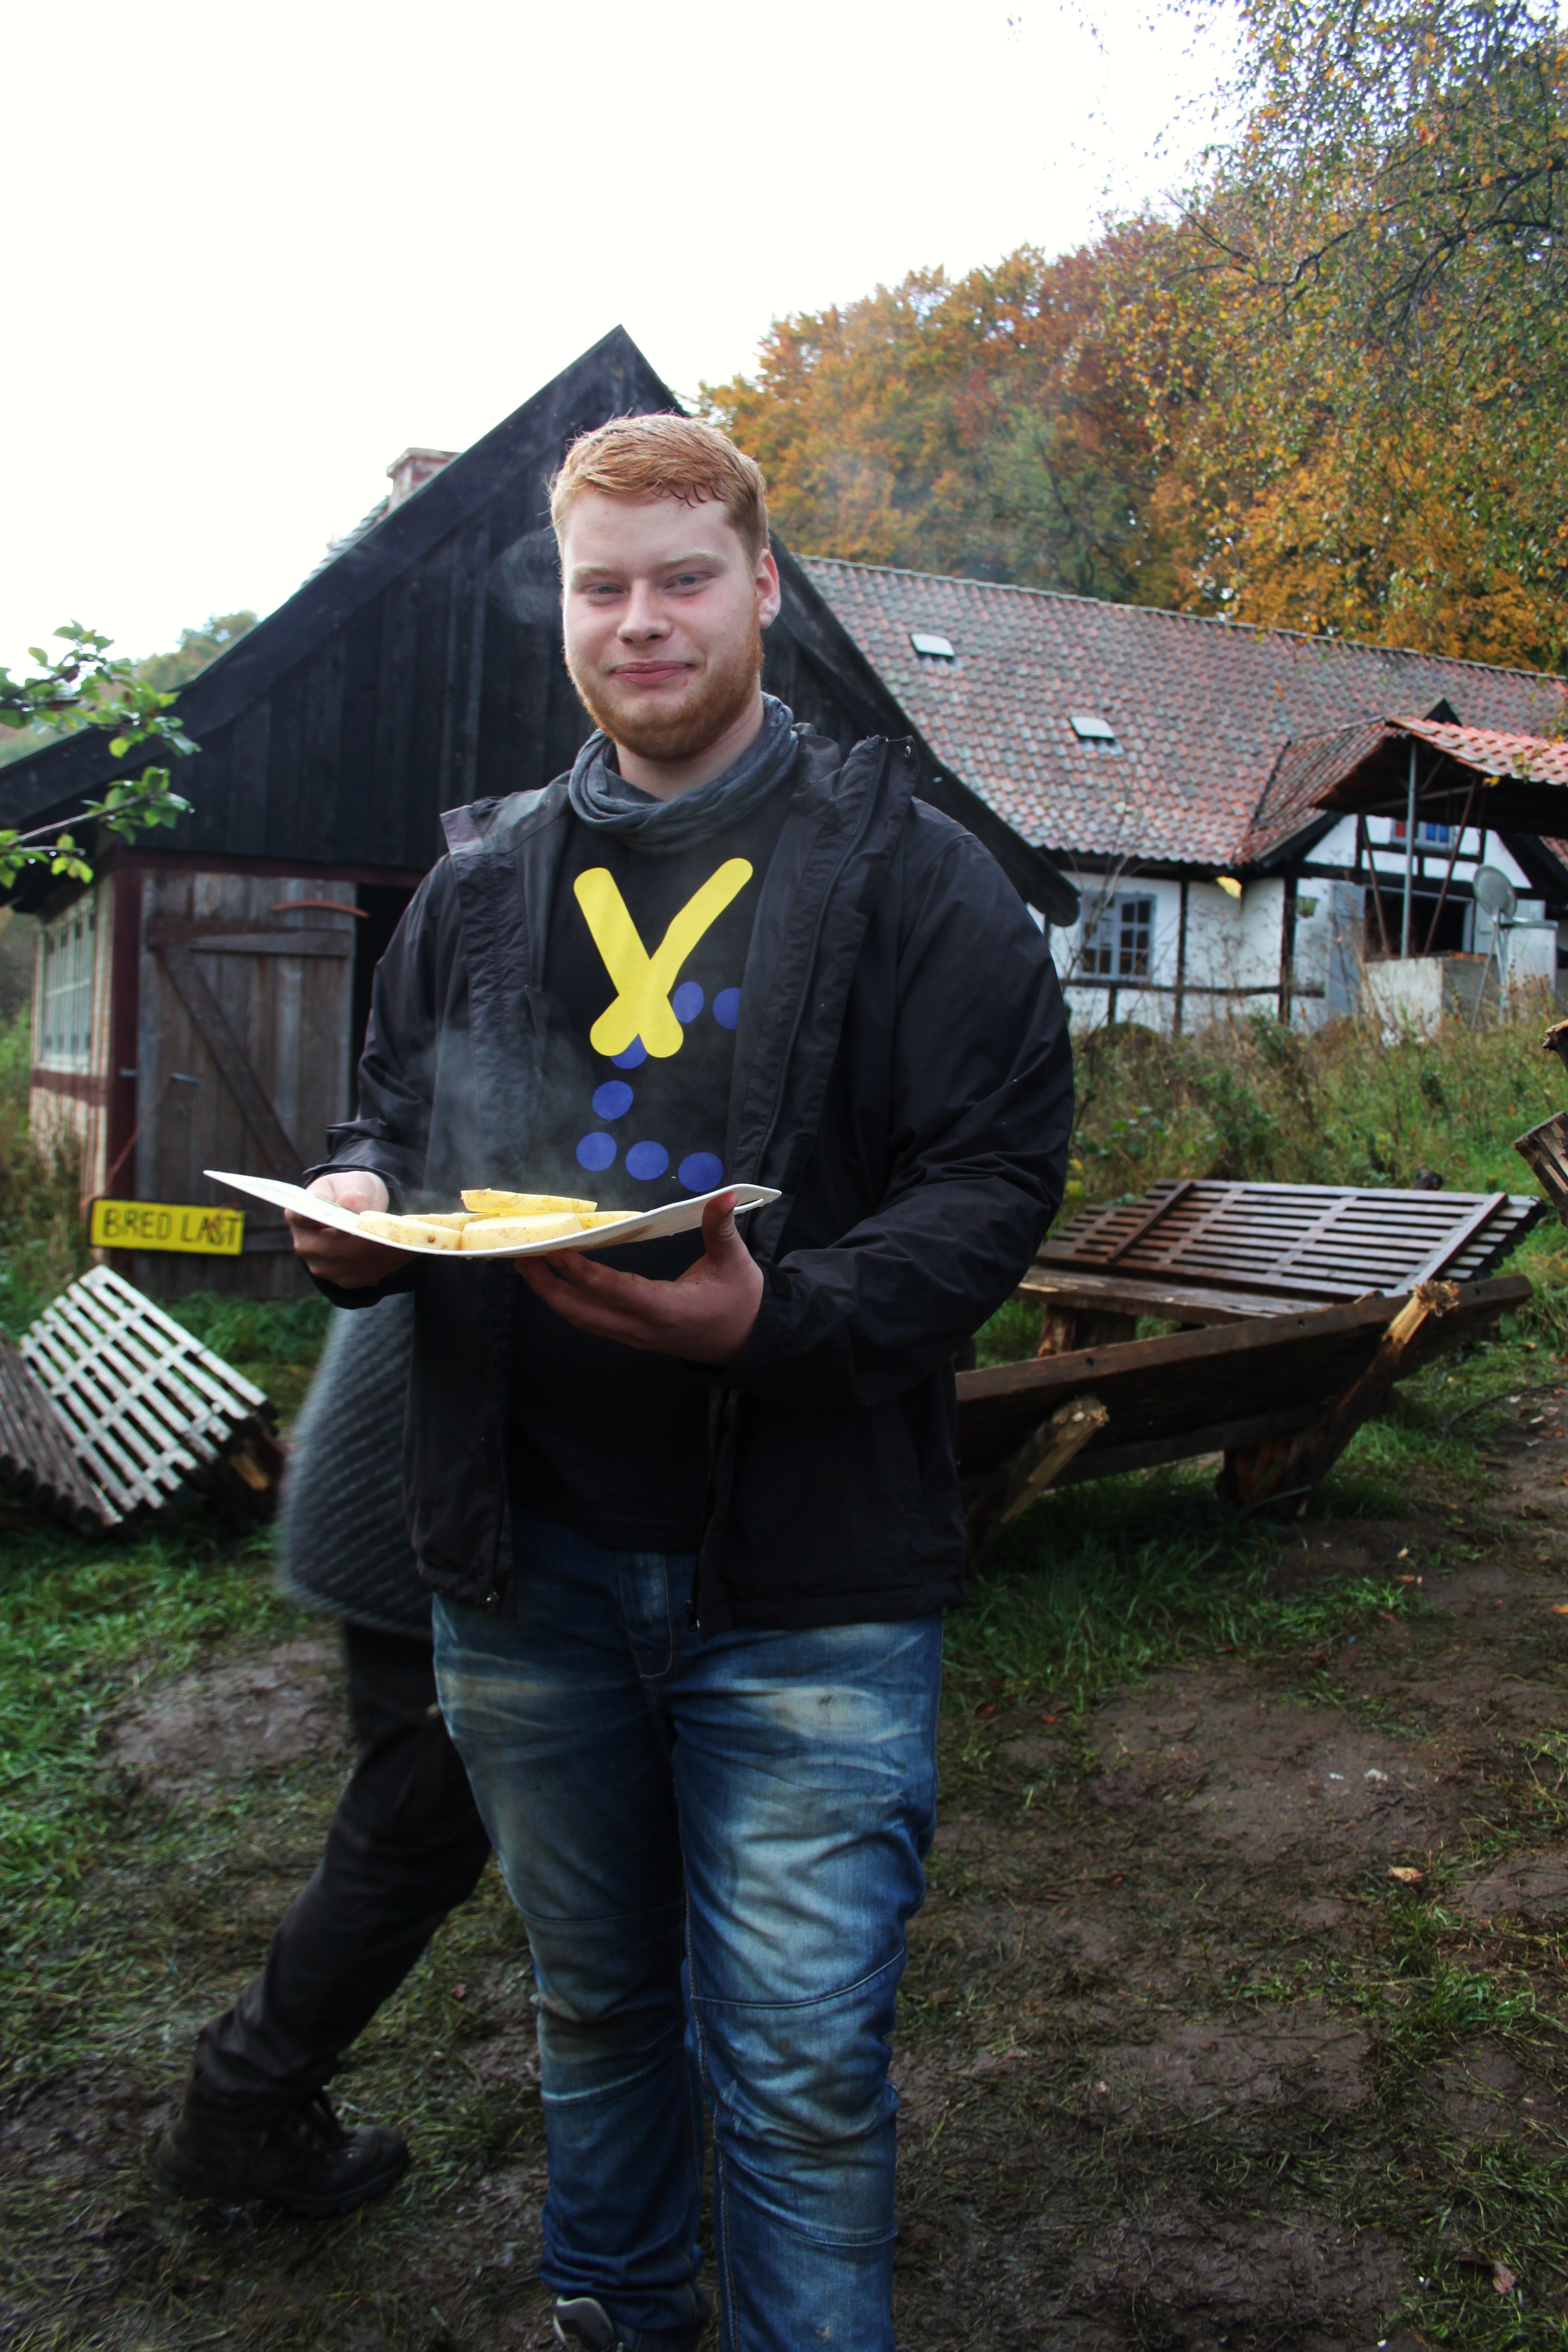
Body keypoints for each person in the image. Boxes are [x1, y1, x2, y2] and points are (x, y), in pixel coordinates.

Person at [287, 413, 1073, 2352]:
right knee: (595, 2005)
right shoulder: (481, 884)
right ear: (565, 607)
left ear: (762, 590)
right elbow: (393, 1118)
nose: (637, 621)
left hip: (809, 1582)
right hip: (527, 1569)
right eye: (599, 586)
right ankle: (620, 2313)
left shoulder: (918, 879)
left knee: (797, 2067)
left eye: (680, 579)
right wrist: (360, 1202)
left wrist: (775, 1322)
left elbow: (993, 1181)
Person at [151, 1295, 492, 2215]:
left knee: (418, 1828)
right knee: (415, 1835)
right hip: (413, 1525)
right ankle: (240, 2107)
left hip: (412, 1501)